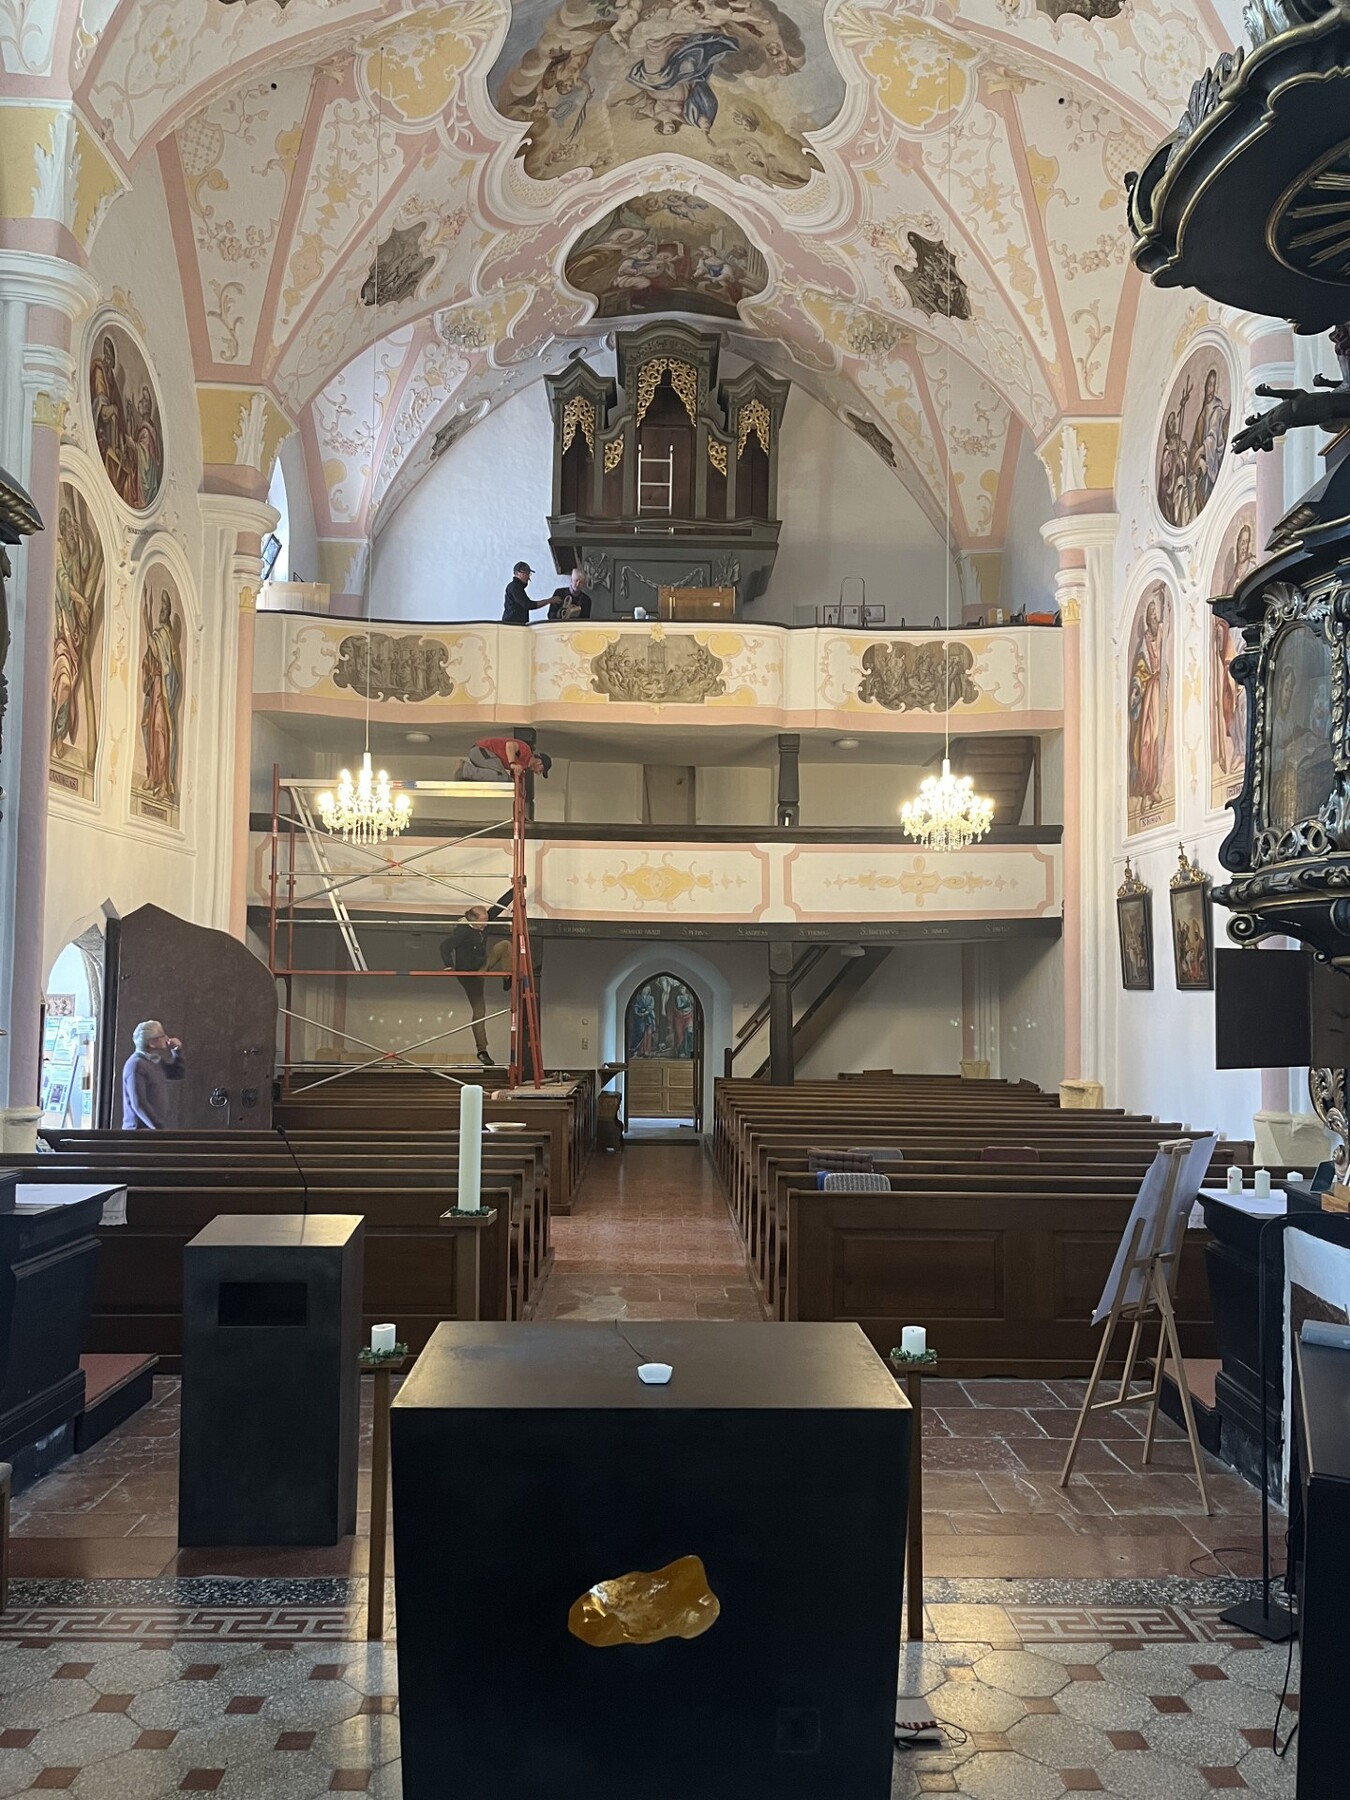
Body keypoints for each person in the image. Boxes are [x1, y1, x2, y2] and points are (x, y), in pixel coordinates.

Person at [441, 892, 514, 1066]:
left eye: (487, 920)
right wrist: (449, 965)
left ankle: (507, 978)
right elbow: (444, 946)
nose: (486, 924)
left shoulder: (483, 922)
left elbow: (498, 906)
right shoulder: (462, 932)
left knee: (505, 945)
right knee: (480, 1011)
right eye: (483, 921)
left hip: (482, 966)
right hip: (469, 975)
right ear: (472, 921)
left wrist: (515, 890)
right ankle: (482, 1050)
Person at [122, 1020, 186, 1129]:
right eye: (162, 1036)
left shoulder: (155, 1061)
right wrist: (158, 1128)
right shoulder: (136, 1065)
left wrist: (177, 1051)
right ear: (152, 1043)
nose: (167, 1038)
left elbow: (177, 1074)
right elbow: (139, 1104)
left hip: (151, 1130)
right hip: (138, 1131)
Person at [457, 736, 552, 784]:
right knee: (502, 777)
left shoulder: (524, 766)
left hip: (483, 755)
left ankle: (467, 772)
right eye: (541, 770)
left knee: (504, 779)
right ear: (539, 762)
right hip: (481, 750)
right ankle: (465, 769)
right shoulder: (526, 751)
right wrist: (512, 764)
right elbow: (510, 745)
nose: (538, 773)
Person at [502, 561, 552, 626]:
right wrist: (550, 600)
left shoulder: (515, 587)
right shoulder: (515, 587)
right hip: (512, 625)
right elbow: (528, 605)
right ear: (517, 573)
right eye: (525, 573)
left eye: (528, 574)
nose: (528, 577)